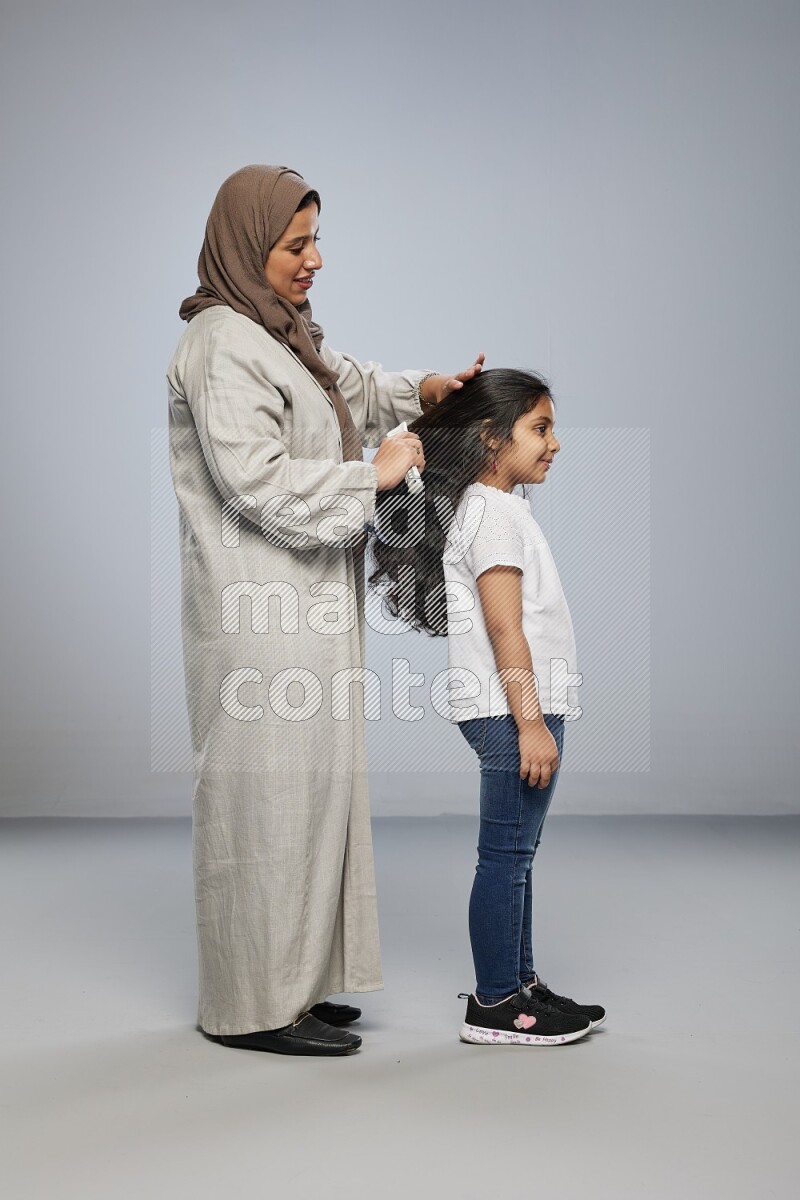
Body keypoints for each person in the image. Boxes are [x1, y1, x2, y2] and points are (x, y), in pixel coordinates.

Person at [166, 164, 483, 1056]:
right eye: (295, 244)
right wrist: (374, 473)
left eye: (316, 242)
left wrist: (422, 389)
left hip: (305, 603)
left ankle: (294, 985)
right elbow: (255, 483)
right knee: (264, 804)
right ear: (246, 245)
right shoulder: (224, 343)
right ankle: (250, 1006)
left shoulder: (282, 333)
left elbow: (350, 381)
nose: (314, 261)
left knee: (312, 796)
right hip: (256, 615)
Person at [367, 368, 606, 1046]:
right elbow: (506, 629)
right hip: (511, 712)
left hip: (517, 708)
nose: (554, 443)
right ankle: (496, 1002)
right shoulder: (493, 515)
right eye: (540, 428)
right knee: (504, 854)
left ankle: (520, 985)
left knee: (518, 854)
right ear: (491, 440)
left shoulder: (498, 508)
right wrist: (530, 722)